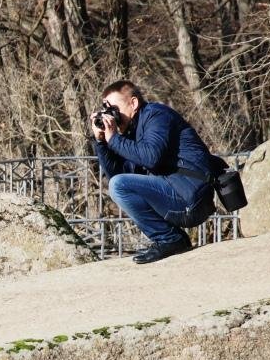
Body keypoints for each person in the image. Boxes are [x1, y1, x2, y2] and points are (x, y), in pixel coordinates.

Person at [91, 80, 222, 264]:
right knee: (118, 184)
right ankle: (173, 239)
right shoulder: (133, 131)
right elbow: (118, 175)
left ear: (133, 103)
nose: (112, 116)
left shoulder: (157, 115)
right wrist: (102, 143)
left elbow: (151, 157)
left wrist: (114, 139)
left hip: (190, 196)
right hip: (178, 194)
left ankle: (169, 239)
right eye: (107, 111)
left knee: (119, 185)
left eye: (113, 109)